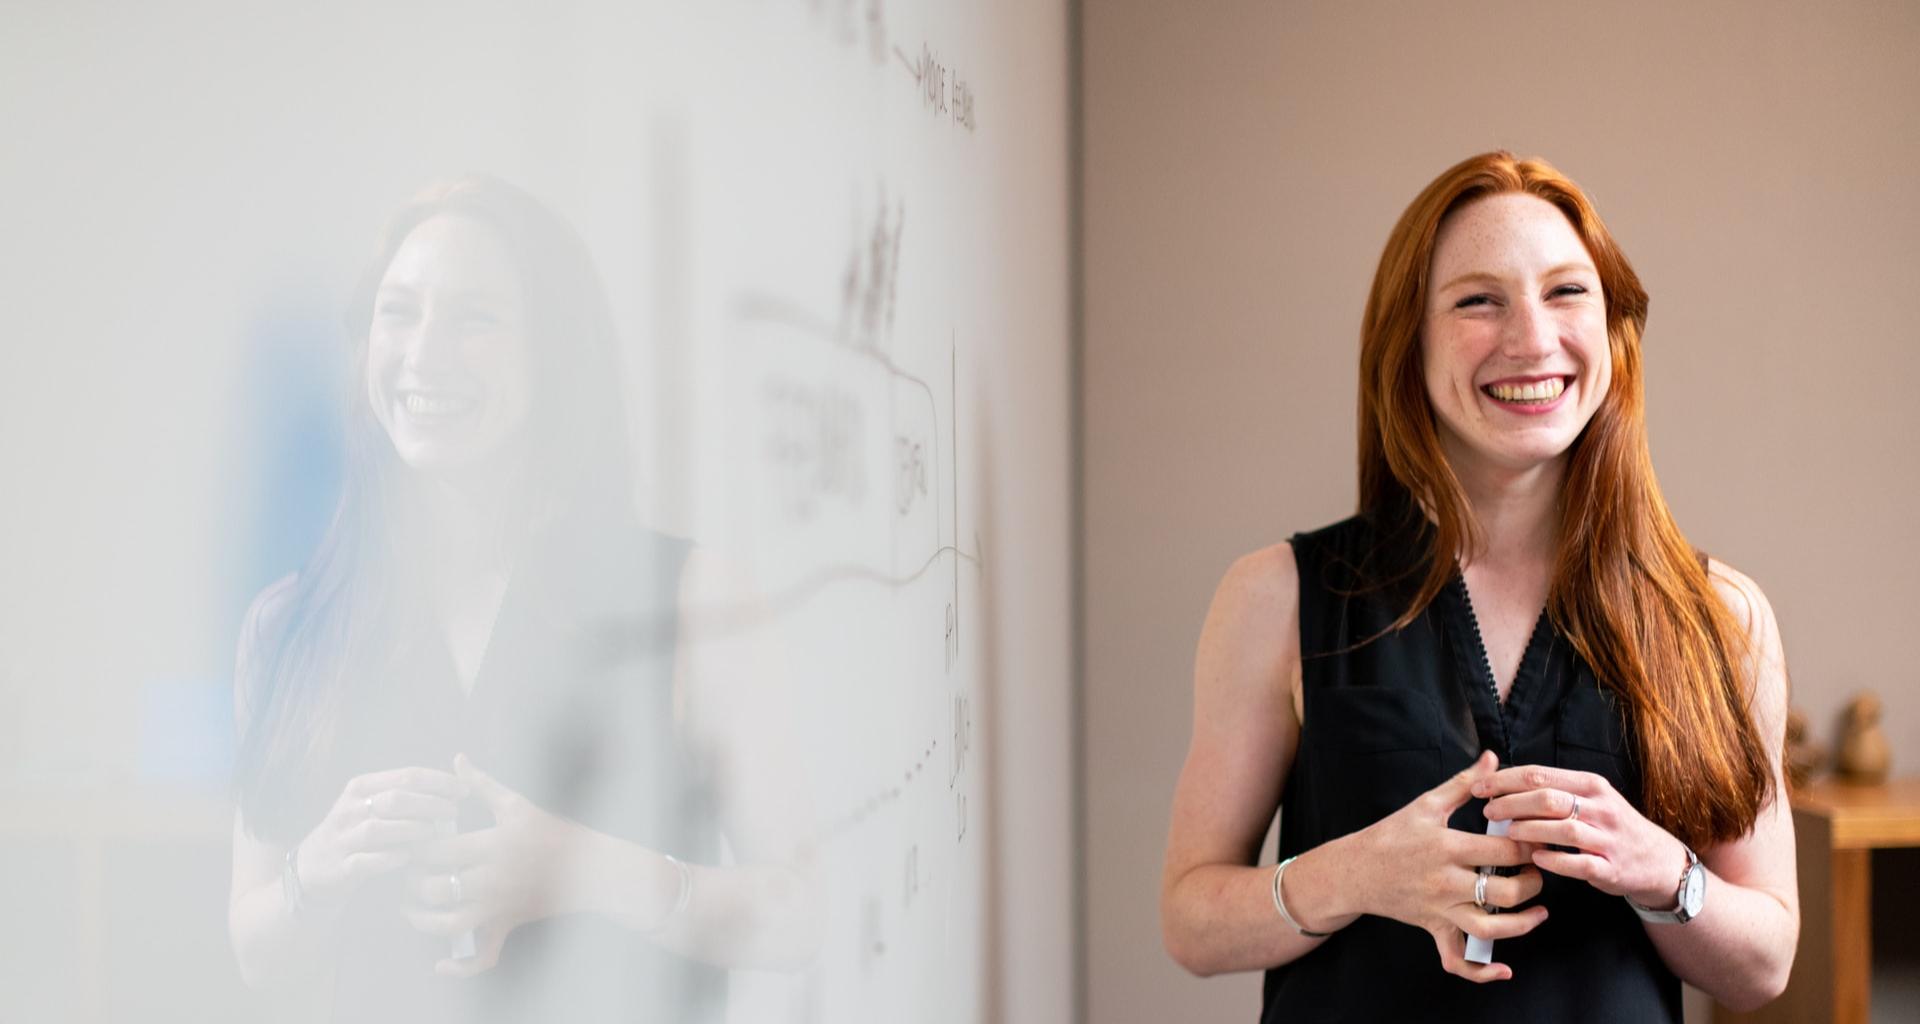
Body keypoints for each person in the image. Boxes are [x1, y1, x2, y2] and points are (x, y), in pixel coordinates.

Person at [1160, 152, 1796, 1021]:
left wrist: (1662, 872)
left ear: (1612, 328)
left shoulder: (1721, 617)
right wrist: (1356, 875)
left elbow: (1765, 964)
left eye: (1566, 292)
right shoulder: (1276, 598)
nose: (1533, 339)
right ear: (1408, 344)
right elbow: (1192, 922)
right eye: (1477, 300)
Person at [227, 176, 816, 1022]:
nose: (425, 354)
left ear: (556, 355)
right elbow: (256, 955)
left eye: (475, 319)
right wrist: (317, 866)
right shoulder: (289, 625)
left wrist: (583, 870)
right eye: (399, 313)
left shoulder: (694, 602)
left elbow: (797, 916)